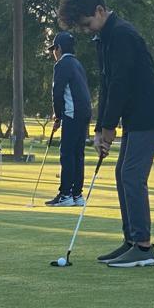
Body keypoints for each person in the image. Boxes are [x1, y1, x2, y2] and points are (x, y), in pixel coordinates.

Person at [57, 0, 154, 268]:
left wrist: (109, 127)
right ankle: (132, 241)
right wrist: (100, 128)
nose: (86, 30)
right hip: (136, 116)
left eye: (87, 24)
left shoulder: (122, 34)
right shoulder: (105, 37)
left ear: (100, 11)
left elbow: (121, 84)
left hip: (150, 114)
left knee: (132, 175)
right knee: (122, 173)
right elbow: (107, 85)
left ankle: (144, 247)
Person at [45, 31, 92, 207]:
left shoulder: (62, 64)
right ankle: (77, 194)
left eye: (53, 49)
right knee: (78, 154)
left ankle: (65, 194)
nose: (53, 53)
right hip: (84, 112)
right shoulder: (78, 64)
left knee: (67, 154)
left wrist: (57, 115)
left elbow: (57, 92)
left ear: (59, 48)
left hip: (72, 113)